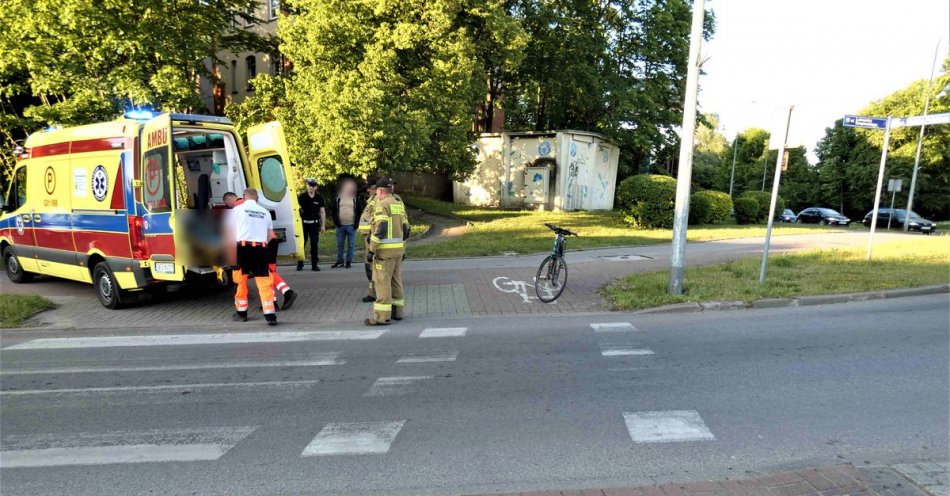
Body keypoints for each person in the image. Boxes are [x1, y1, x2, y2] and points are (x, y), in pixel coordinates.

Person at [224, 191, 296, 310]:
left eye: (226, 203)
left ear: (230, 199)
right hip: (268, 242)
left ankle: (283, 295)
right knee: (267, 272)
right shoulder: (256, 208)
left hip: (259, 244)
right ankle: (279, 297)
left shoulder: (239, 207)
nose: (227, 205)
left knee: (265, 273)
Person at [230, 188, 278, 325]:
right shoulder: (265, 212)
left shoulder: (237, 211)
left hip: (241, 248)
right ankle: (270, 315)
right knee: (264, 283)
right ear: (257, 198)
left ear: (244, 197)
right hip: (260, 248)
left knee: (240, 281)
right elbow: (270, 236)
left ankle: (241, 313)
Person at [365, 178, 409, 326]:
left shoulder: (382, 205)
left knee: (382, 283)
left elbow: (381, 228)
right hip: (398, 251)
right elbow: (406, 229)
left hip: (384, 253)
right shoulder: (398, 204)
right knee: (396, 281)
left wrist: (371, 250)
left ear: (379, 191)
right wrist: (403, 247)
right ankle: (398, 312)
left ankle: (381, 317)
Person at [330, 178, 365, 268]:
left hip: (351, 226)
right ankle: (340, 261)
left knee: (351, 245)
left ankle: (348, 262)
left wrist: (356, 224)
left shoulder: (355, 199)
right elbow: (333, 211)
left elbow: (360, 211)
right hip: (340, 226)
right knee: (340, 245)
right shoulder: (338, 199)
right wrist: (336, 222)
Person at [297, 178, 326, 271]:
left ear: (316, 187)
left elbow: (322, 212)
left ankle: (314, 265)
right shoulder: (301, 197)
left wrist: (323, 225)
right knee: (302, 244)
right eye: (309, 185)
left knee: (314, 244)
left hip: (314, 225)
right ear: (306, 186)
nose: (311, 187)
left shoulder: (319, 198)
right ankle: (300, 263)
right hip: (303, 225)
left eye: (313, 186)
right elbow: (296, 210)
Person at [357, 178, 378, 302]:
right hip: (368, 238)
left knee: (371, 266)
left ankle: (373, 293)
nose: (367, 190)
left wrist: (372, 234)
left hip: (371, 238)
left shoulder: (376, 201)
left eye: (369, 188)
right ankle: (371, 292)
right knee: (369, 266)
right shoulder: (371, 200)